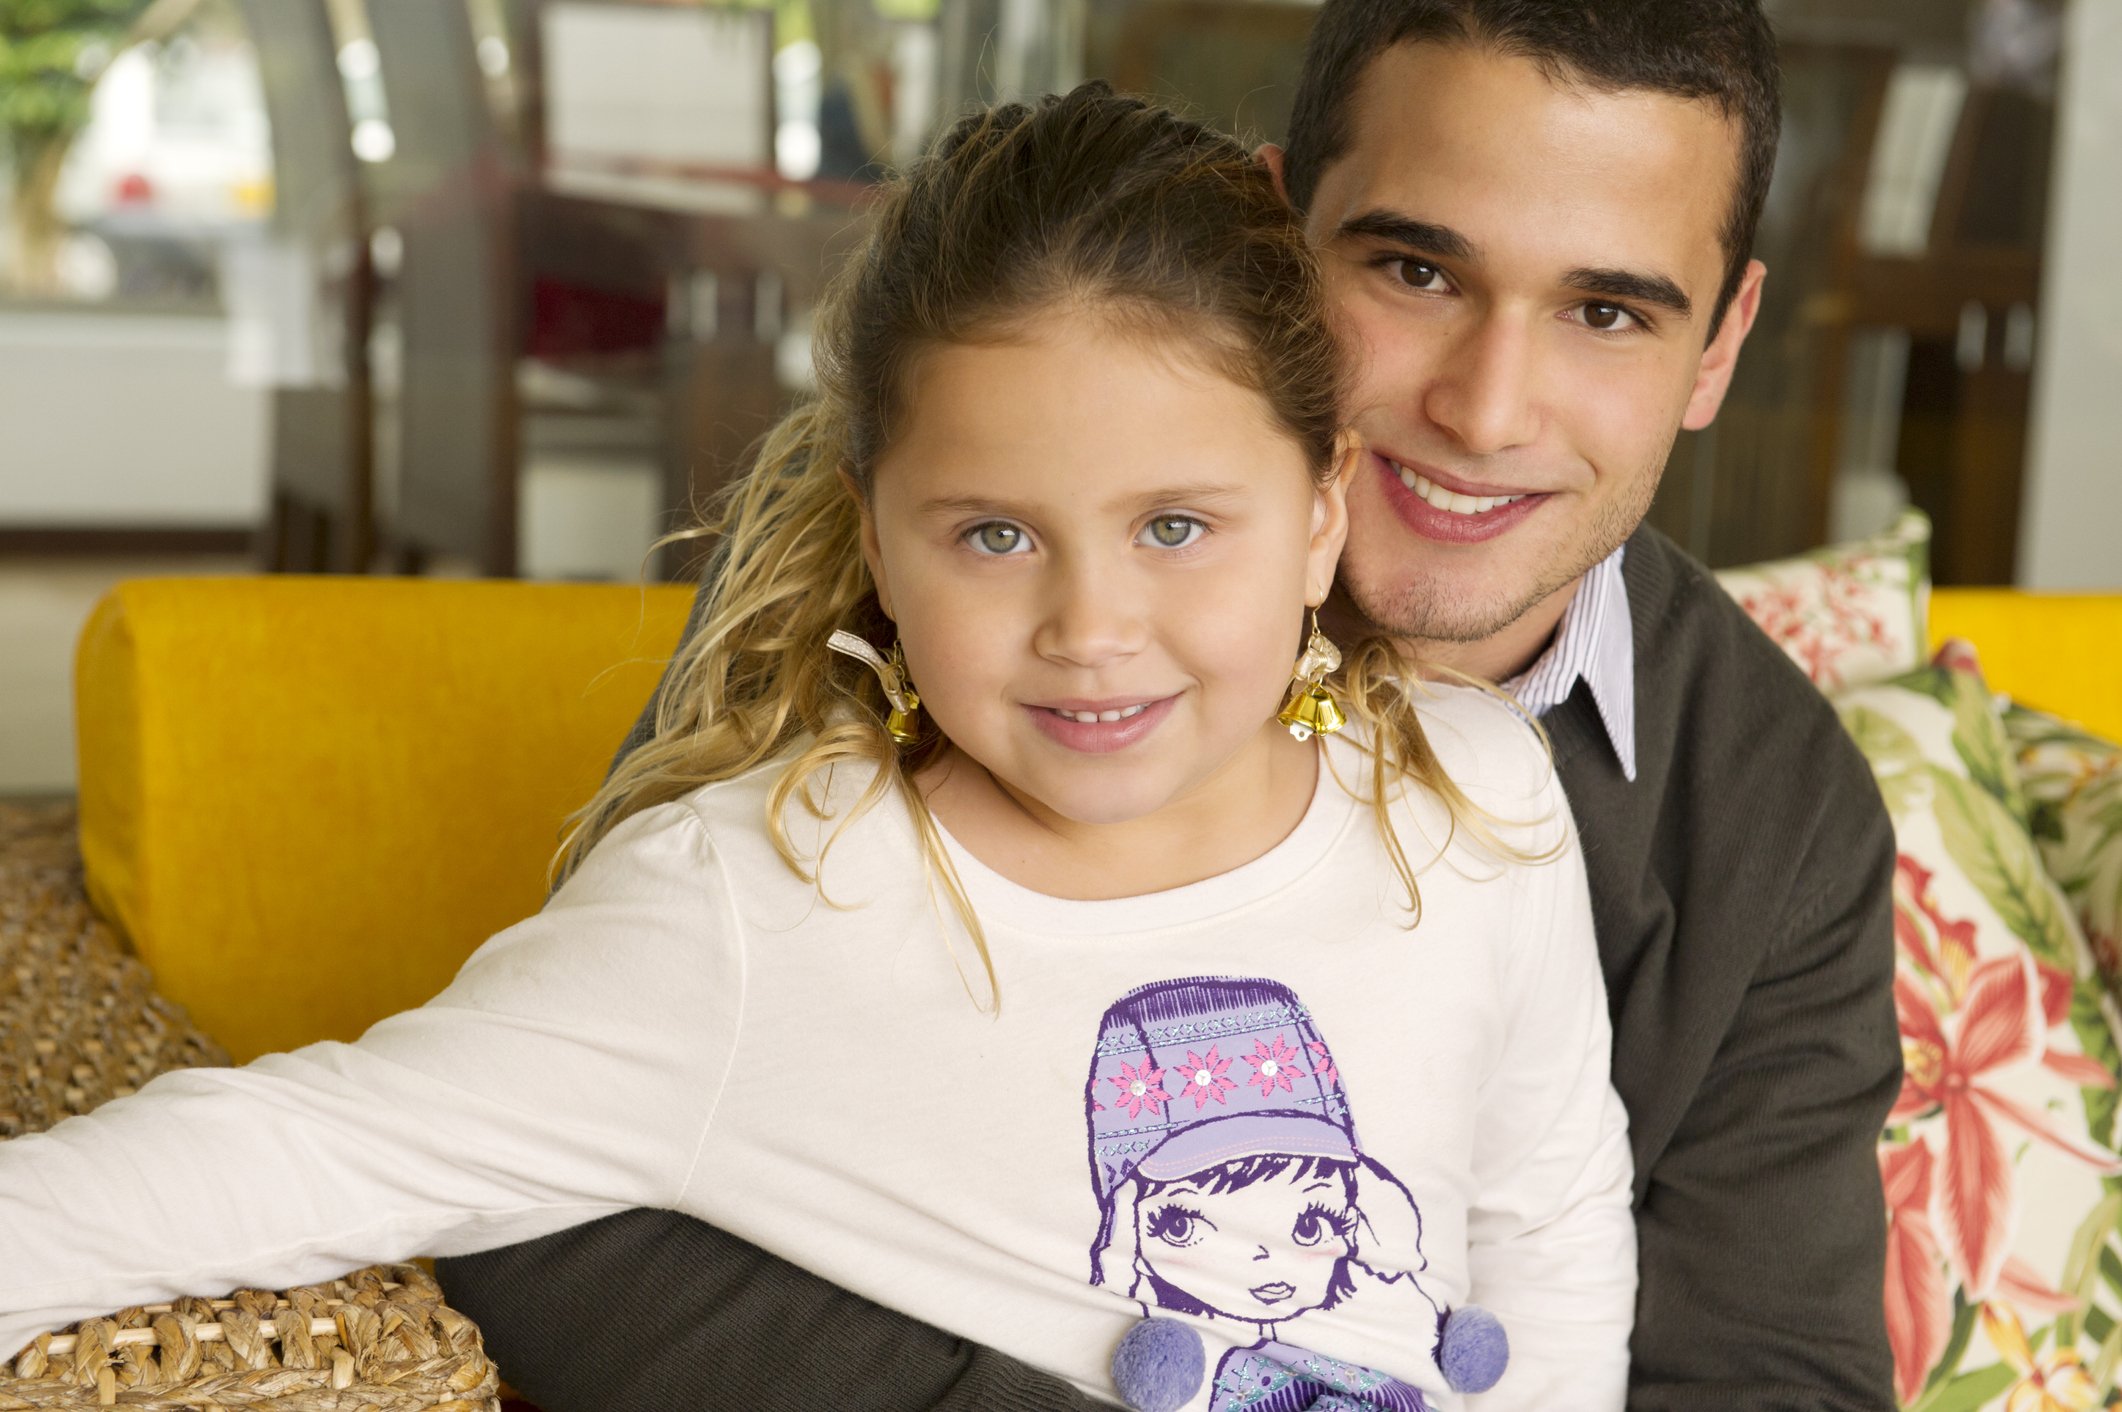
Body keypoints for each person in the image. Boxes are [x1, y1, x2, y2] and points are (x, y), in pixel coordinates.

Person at [0, 86, 1637, 1410]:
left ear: (1317, 520)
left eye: (1177, 527)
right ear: (876, 538)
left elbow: (1547, 1222)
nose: (1090, 626)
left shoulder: (1471, 791)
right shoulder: (762, 904)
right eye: (993, 536)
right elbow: (317, 1146)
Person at [437, 2, 1902, 1409]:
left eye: (1605, 311)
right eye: (1413, 273)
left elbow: (1767, 1373)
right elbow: (547, 1206)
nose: (1486, 406)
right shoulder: (940, 576)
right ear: (1274, 231)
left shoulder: (1771, 802)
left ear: (1717, 344)